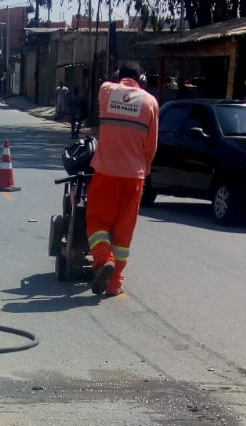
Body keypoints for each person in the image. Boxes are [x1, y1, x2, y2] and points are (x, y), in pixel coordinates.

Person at [86, 63, 158, 298]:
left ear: (118, 77)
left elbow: (109, 92)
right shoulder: (150, 102)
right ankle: (114, 283)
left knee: (97, 221)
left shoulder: (106, 91)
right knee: (123, 231)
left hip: (106, 173)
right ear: (142, 79)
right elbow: (151, 145)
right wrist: (143, 171)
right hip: (134, 176)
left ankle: (103, 258)